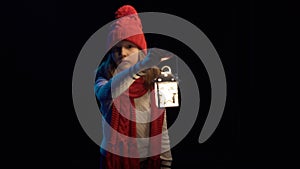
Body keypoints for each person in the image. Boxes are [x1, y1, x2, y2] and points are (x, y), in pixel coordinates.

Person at [94, 4, 173, 169]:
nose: (122, 53)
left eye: (129, 46)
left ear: (140, 50)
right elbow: (106, 94)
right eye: (117, 48)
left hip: (147, 161)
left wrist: (166, 163)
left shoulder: (153, 81)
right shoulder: (103, 76)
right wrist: (140, 67)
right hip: (113, 161)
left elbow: (162, 127)